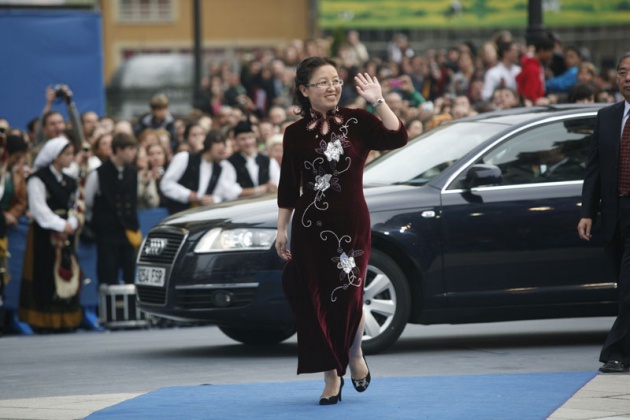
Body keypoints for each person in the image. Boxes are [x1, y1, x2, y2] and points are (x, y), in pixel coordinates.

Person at [275, 57, 408, 404]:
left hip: (351, 224)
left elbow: (397, 136)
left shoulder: (358, 120)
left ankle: (353, 355)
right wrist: (281, 230)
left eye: (336, 80)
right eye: (323, 82)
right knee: (314, 299)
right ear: (304, 91)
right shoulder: (293, 134)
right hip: (309, 227)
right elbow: (289, 187)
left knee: (349, 297)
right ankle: (331, 376)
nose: (332, 87)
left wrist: (378, 100)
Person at [578, 52, 630, 373]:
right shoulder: (607, 116)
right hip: (615, 212)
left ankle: (616, 352)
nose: (628, 78)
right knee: (622, 284)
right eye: (623, 72)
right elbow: (594, 168)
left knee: (628, 287)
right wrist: (588, 211)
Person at [18, 137, 83, 332]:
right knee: (44, 272)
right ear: (55, 156)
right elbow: (38, 209)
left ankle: (67, 319)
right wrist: (60, 225)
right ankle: (44, 322)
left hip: (66, 233)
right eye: (67, 154)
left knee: (66, 271)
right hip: (44, 234)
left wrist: (71, 223)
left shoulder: (70, 180)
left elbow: (75, 205)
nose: (71, 158)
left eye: (72, 153)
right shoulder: (38, 178)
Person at [84, 132, 140, 286]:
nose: (134, 153)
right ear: (119, 150)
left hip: (128, 232)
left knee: (130, 276)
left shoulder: (133, 172)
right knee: (108, 276)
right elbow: (88, 202)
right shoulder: (99, 173)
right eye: (130, 149)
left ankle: (128, 310)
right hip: (107, 234)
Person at [161, 129, 242, 214]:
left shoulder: (221, 168)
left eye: (224, 145)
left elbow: (222, 194)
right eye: (217, 143)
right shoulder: (184, 158)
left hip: (203, 216)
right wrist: (188, 195)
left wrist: (213, 199)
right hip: (180, 214)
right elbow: (166, 184)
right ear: (208, 144)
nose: (222, 147)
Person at [227, 120, 280, 197]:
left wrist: (272, 186)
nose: (248, 142)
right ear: (236, 141)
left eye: (250, 138)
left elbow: (277, 183)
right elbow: (231, 191)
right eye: (243, 139)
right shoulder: (229, 163)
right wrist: (261, 189)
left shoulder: (268, 160)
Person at [516, 36, 555, 105]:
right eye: (549, 52)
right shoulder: (532, 68)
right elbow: (530, 94)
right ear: (541, 51)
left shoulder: (536, 65)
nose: (551, 55)